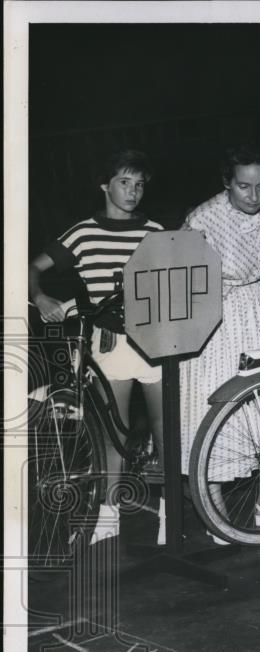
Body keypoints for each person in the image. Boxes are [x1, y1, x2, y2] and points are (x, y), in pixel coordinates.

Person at [28, 149, 165, 544]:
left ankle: (169, 515)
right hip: (110, 342)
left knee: (165, 427)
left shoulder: (156, 231)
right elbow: (32, 268)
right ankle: (109, 513)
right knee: (113, 434)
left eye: (140, 184)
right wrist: (41, 298)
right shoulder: (83, 233)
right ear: (105, 184)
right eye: (125, 182)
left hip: (155, 342)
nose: (133, 191)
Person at [179, 144, 260, 527]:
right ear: (226, 183)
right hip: (213, 318)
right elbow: (178, 273)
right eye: (244, 187)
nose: (254, 196)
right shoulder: (202, 218)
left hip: (254, 311)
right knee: (211, 407)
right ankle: (214, 512)